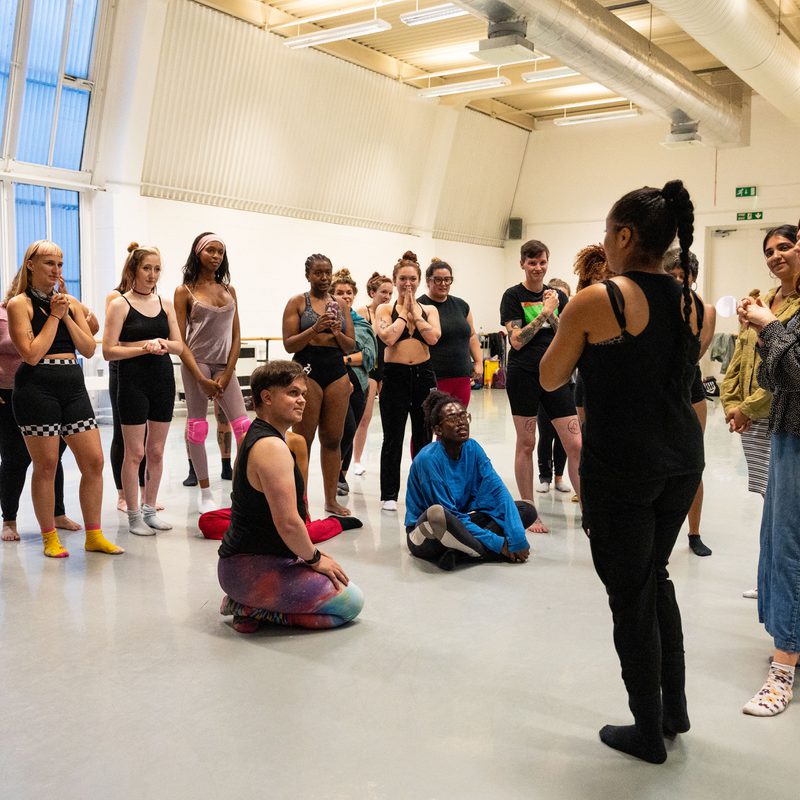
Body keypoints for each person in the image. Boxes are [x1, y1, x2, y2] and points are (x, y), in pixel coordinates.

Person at [540, 180, 703, 764]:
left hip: (624, 467)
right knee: (654, 577)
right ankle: (673, 710)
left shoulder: (599, 299)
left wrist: (568, 335)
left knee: (630, 596)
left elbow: (551, 378)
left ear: (627, 236)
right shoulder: (693, 305)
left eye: (608, 233)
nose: (603, 243)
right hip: (682, 460)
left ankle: (646, 729)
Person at [217, 361, 364, 632]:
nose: (302, 401)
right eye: (293, 393)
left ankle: (252, 605)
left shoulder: (258, 435)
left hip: (248, 565)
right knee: (351, 603)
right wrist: (315, 559)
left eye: (303, 394)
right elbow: (288, 522)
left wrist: (306, 554)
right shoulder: (271, 447)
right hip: (248, 570)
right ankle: (247, 606)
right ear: (267, 397)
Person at [6, 241, 122, 558]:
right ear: (30, 264)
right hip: (37, 388)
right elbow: (30, 354)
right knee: (46, 465)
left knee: (94, 462)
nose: (56, 270)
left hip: (72, 385)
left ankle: (94, 535)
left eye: (59, 264)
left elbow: (87, 348)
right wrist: (55, 316)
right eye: (48, 264)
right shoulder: (19, 304)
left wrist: (67, 313)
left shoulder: (68, 301)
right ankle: (48, 538)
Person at [721, 225, 800, 594]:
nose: (776, 255)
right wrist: (731, 402)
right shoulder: (763, 301)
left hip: (781, 412)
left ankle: (783, 584)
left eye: (784, 246)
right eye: (769, 251)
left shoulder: (795, 307)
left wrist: (750, 408)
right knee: (770, 501)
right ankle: (772, 580)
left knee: (788, 509)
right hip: (750, 416)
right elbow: (741, 355)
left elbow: (786, 370)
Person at [738, 254, 800, 717]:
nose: (787, 253)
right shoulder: (787, 306)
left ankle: (783, 668)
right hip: (786, 431)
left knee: (789, 548)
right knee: (777, 540)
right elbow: (771, 376)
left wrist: (769, 329)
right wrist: (766, 330)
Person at [500, 239, 582, 533]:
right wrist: (544, 313)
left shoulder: (558, 295)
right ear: (522, 263)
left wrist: (555, 311)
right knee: (527, 443)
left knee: (575, 444)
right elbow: (517, 340)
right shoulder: (512, 296)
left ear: (548, 263)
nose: (537, 268)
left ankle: (589, 509)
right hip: (524, 375)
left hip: (556, 375)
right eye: (532, 262)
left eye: (542, 262)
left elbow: (568, 335)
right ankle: (529, 512)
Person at [103, 244, 183, 535]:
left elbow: (179, 345)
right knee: (134, 452)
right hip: (132, 381)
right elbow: (109, 351)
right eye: (147, 268)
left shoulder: (166, 303)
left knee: (157, 451)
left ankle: (150, 509)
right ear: (133, 270)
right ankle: (134, 514)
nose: (152, 275)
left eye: (157, 269)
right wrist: (142, 348)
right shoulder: (119, 304)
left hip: (161, 380)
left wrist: (162, 343)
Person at [405, 390, 533, 570]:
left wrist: (517, 537)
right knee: (437, 514)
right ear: (438, 430)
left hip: (462, 525)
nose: (461, 422)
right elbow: (449, 514)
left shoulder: (472, 448)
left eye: (464, 416)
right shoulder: (428, 460)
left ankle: (460, 553)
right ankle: (484, 553)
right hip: (428, 535)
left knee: (526, 509)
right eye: (452, 418)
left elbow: (498, 491)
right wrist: (499, 544)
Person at [1, 277, 83, 541]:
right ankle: (9, 520)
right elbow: (28, 351)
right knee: (15, 459)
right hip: (11, 391)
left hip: (49, 388)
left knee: (51, 459)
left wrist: (69, 309)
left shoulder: (54, 310)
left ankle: (58, 513)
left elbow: (87, 332)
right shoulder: (10, 311)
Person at [175, 233, 250, 514]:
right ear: (198, 253)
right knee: (197, 427)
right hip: (197, 363)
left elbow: (237, 335)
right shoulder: (185, 291)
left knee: (243, 426)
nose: (216, 256)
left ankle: (243, 487)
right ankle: (205, 491)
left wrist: (229, 372)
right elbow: (180, 340)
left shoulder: (229, 290)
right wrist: (200, 378)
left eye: (220, 251)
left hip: (225, 365)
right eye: (210, 251)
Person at [282, 254, 355, 516]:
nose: (324, 278)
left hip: (335, 369)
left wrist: (336, 332)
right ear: (308, 275)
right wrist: (315, 329)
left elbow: (351, 345)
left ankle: (331, 499)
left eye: (328, 273)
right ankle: (299, 501)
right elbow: (289, 343)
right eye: (318, 273)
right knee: (303, 439)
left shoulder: (340, 305)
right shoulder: (297, 302)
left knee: (333, 439)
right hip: (307, 368)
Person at [375, 251, 441, 512]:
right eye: (402, 278)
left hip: (423, 375)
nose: (408, 283)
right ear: (395, 279)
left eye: (412, 278)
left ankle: (424, 490)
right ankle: (389, 493)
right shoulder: (384, 308)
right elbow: (388, 338)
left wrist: (416, 313)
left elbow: (434, 338)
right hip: (395, 376)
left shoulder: (430, 309)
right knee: (393, 437)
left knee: (424, 435)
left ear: (420, 280)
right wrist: (403, 313)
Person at [664, 248, 717, 557]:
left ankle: (694, 532)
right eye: (673, 277)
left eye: (685, 277)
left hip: (689, 385)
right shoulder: (654, 306)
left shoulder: (704, 309)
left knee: (694, 461)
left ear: (693, 278)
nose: (679, 282)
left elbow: (697, 349)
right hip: (660, 389)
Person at [331, 269, 377, 496]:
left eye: (349, 292)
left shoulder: (360, 323)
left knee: (351, 428)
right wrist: (351, 359)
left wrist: (343, 358)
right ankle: (335, 474)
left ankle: (342, 474)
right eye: (340, 292)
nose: (345, 296)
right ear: (332, 295)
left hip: (360, 383)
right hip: (333, 382)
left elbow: (369, 356)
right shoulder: (327, 320)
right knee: (344, 427)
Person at [418, 258, 483, 406]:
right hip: (434, 377)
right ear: (428, 281)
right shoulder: (420, 306)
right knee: (435, 423)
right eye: (438, 280)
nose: (443, 284)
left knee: (458, 422)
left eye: (447, 280)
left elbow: (471, 335)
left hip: (462, 376)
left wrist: (479, 362)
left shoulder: (461, 305)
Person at [351, 272, 393, 476]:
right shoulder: (362, 312)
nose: (387, 296)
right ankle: (356, 459)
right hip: (369, 368)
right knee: (364, 417)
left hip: (388, 367)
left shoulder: (391, 312)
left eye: (390, 293)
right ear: (372, 292)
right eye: (383, 292)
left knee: (390, 416)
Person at [536, 277, 573, 495]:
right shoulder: (539, 318)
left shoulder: (569, 320)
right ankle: (544, 476)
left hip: (566, 381)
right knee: (546, 432)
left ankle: (559, 476)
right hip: (544, 381)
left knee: (564, 436)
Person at [573, 244, 611, 427]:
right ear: (586, 281)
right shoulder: (579, 312)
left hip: (617, 389)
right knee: (587, 438)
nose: (603, 283)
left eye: (608, 277)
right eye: (598, 278)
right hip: (587, 385)